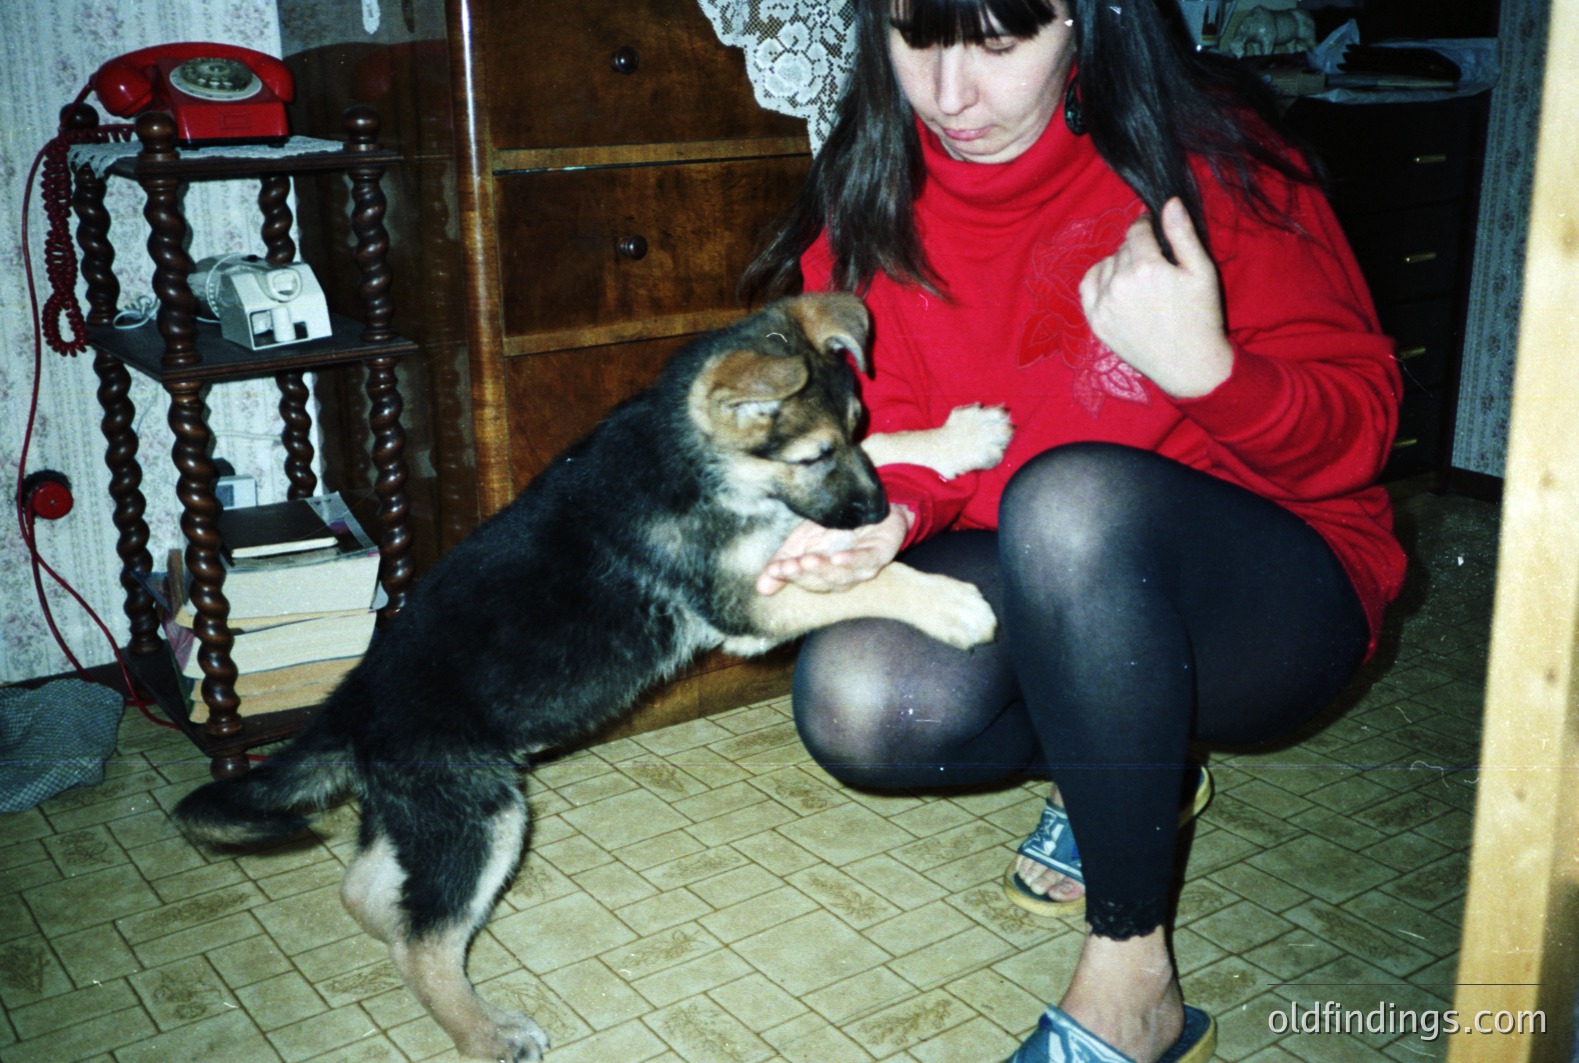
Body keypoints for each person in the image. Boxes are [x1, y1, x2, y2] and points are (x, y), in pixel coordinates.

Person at [740, 0, 1406, 1060]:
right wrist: (886, 515)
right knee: (860, 698)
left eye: (998, 43)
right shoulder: (871, 185)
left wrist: (1210, 373)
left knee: (1071, 499)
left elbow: (1360, 434)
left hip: (1271, 595)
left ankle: (1130, 983)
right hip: (1047, 571)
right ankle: (1133, 766)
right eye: (918, 38)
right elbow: (912, 423)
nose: (949, 95)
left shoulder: (1218, 160)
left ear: (1087, 22)